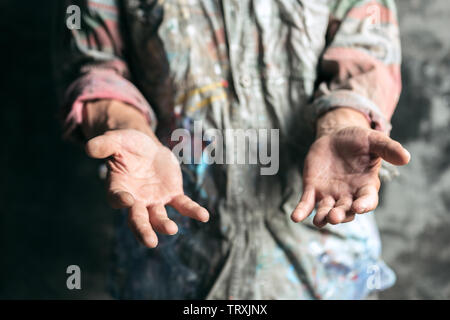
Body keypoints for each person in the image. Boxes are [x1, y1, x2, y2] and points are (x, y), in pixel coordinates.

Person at [55, 0, 410, 299]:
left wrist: (341, 122)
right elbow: (94, 64)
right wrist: (126, 128)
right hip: (171, 252)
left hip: (320, 262)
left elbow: (368, 52)